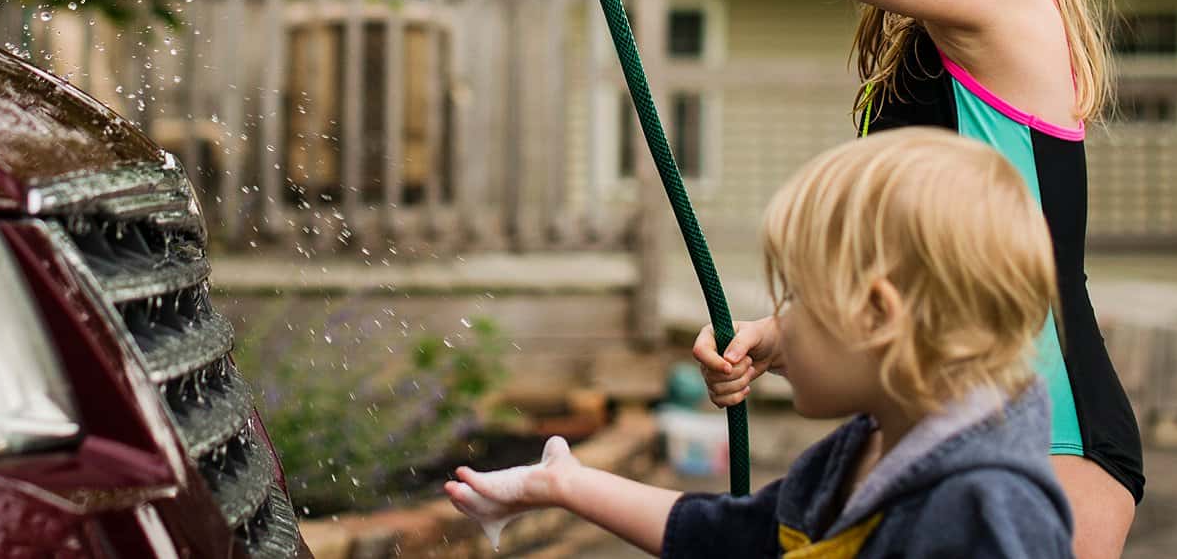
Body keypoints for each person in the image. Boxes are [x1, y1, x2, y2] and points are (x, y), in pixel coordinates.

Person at [452, 0, 1142, 558]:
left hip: (1047, 431)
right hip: (946, 413)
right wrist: (785, 332)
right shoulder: (929, 41)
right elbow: (922, 257)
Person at [444, 129, 1074, 557]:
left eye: (795, 298)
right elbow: (736, 540)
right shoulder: (866, 451)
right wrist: (564, 485)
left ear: (878, 314)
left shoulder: (991, 513)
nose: (778, 322)